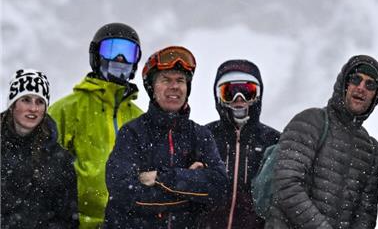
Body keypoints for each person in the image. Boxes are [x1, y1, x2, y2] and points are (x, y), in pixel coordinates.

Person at [103, 45, 228, 228]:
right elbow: (124, 193)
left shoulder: (200, 135)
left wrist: (160, 178)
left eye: (180, 80)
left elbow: (219, 189)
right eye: (166, 80)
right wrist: (191, 190)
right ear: (152, 88)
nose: (175, 86)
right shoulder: (132, 133)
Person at [267, 55, 378, 229]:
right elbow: (286, 184)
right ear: (344, 85)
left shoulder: (371, 149)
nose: (361, 88)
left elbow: (365, 213)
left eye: (370, 84)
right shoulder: (311, 121)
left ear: (376, 96)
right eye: (356, 79)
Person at [48, 22, 145, 229]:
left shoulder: (140, 118)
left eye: (128, 52)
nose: (120, 58)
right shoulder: (68, 109)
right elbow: (42, 168)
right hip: (79, 224)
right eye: (112, 49)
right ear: (96, 55)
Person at [204, 59, 280, 229]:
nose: (239, 100)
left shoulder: (273, 141)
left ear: (258, 95)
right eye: (229, 93)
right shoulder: (204, 137)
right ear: (218, 97)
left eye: (248, 92)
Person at [1, 69, 79, 228]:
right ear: (12, 103)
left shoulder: (60, 160)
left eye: (40, 102)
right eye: (26, 99)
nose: (33, 108)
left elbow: (67, 220)